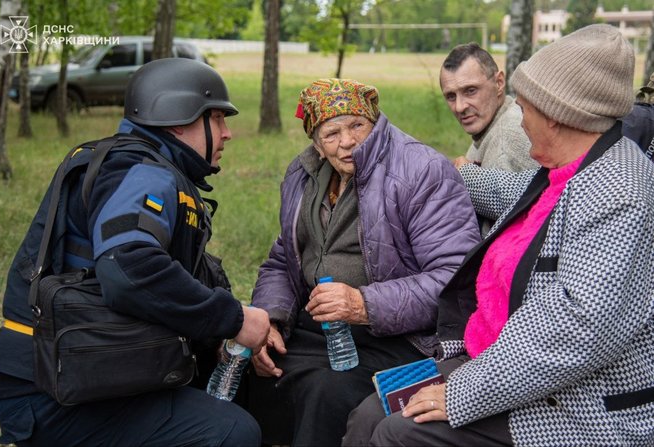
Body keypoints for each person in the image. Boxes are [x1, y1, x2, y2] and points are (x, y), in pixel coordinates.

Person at [343, 24, 654, 446]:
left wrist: (462, 393)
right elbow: (507, 190)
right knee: (367, 415)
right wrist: (449, 173)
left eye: (524, 107)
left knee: (398, 434)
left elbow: (574, 332)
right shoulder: (559, 171)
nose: (518, 119)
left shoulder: (621, 193)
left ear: (557, 114)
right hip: (496, 358)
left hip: (577, 403)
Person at [0, 58, 270, 446]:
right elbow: (128, 267)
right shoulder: (142, 171)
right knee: (232, 432)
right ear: (177, 120)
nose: (227, 133)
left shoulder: (144, 166)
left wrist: (218, 331)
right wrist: (232, 318)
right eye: (218, 118)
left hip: (76, 372)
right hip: (52, 393)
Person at [239, 78, 481, 447]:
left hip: (403, 335)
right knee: (250, 367)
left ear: (376, 121)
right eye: (332, 133)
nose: (347, 141)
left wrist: (362, 304)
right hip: (324, 325)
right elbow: (282, 259)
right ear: (317, 144)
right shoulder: (304, 175)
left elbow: (454, 281)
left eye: (357, 126)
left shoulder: (420, 170)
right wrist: (269, 317)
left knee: (326, 391)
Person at [440, 43, 538, 237]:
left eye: (470, 91)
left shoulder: (505, 140)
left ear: (499, 83)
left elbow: (504, 237)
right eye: (451, 96)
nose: (459, 107)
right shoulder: (494, 122)